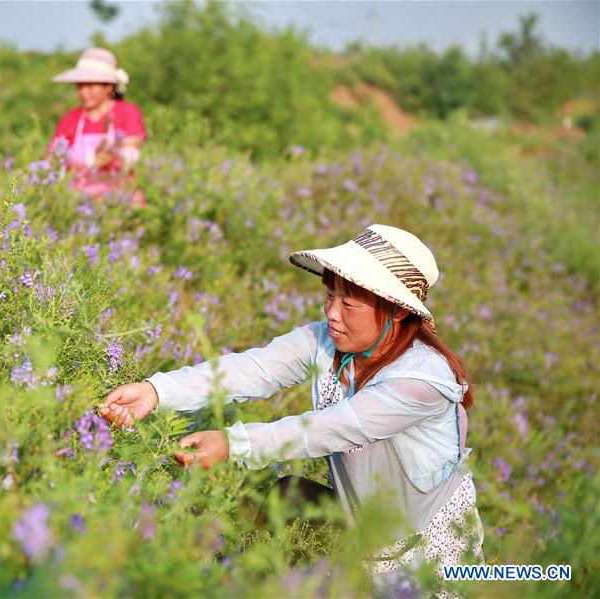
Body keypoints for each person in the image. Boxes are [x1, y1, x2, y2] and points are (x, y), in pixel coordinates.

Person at [99, 224, 484, 585]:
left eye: (349, 304)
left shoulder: (423, 381)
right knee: (286, 500)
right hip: (358, 521)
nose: (332, 313)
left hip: (418, 553)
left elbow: (333, 428)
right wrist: (156, 391)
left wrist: (234, 444)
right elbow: (252, 370)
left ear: (398, 310)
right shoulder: (330, 343)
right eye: (330, 296)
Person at [50, 47, 146, 204]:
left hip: (120, 201)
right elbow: (52, 160)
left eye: (90, 86)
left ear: (108, 86)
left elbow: (132, 153)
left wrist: (113, 159)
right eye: (80, 86)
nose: (83, 92)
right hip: (79, 203)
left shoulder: (127, 112)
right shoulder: (70, 119)